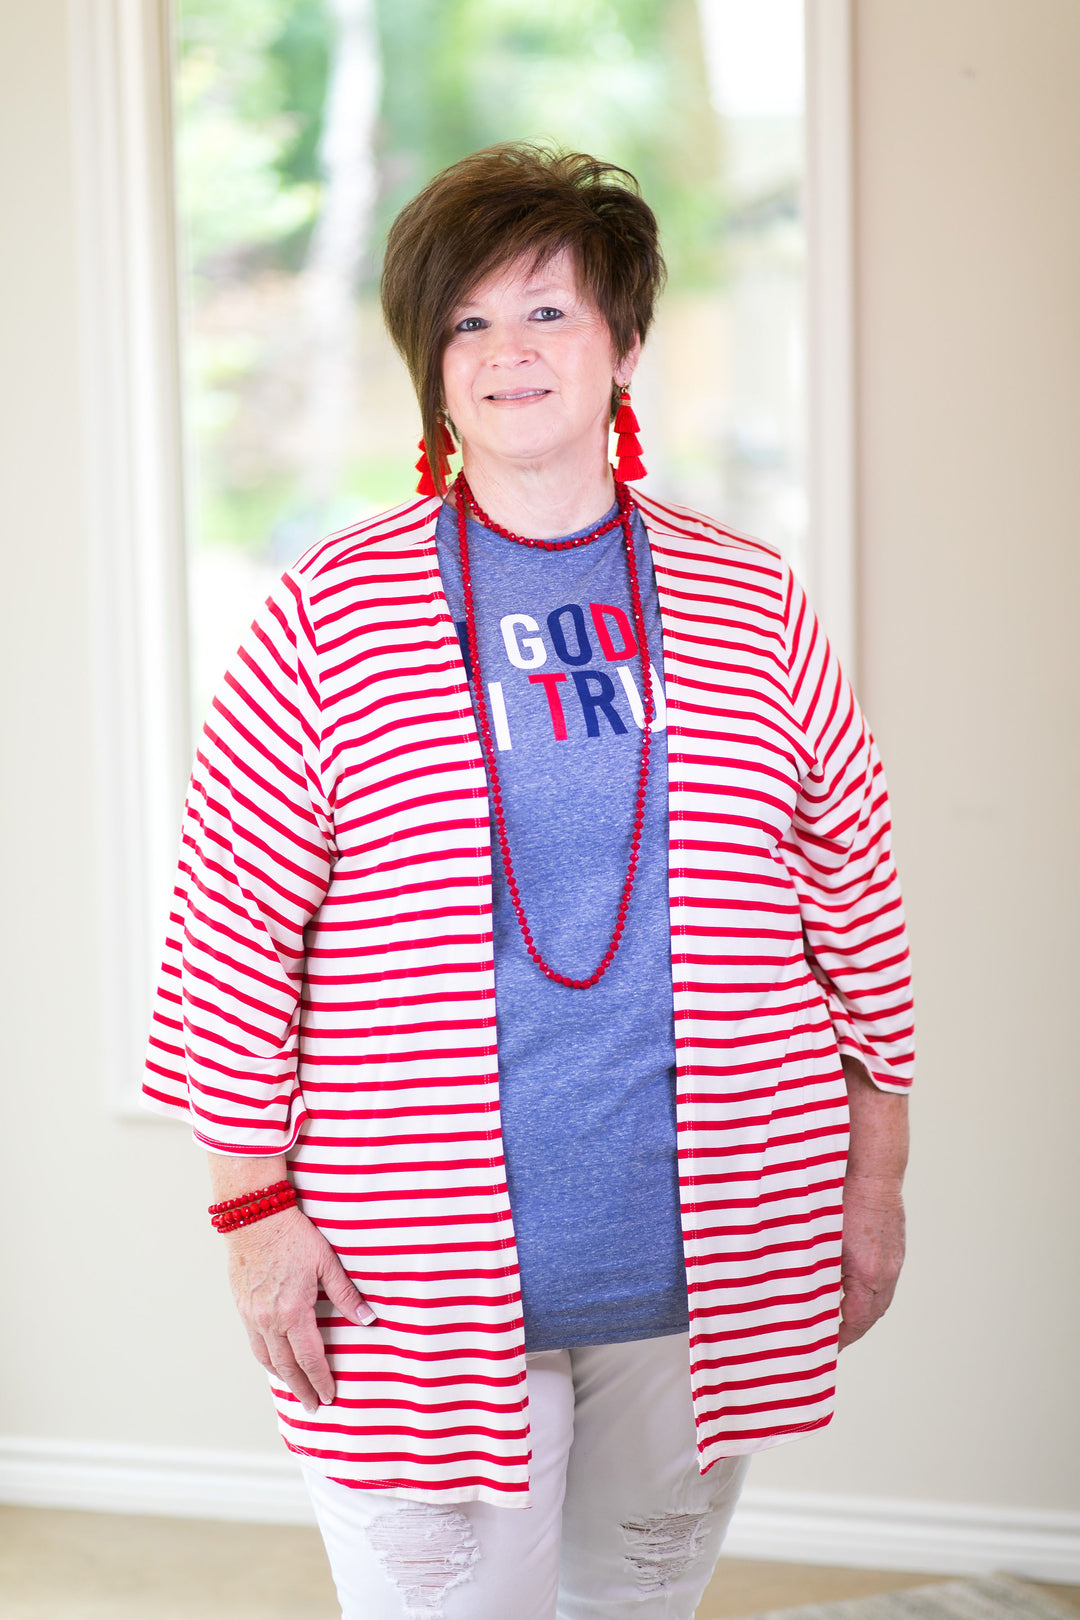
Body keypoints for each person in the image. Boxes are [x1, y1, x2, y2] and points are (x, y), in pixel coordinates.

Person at [144, 145, 913, 1620]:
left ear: (623, 344)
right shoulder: (329, 614)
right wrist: (252, 1218)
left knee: (633, 1608)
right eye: (468, 323)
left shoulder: (752, 600)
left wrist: (875, 1178)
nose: (510, 353)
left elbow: (853, 886)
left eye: (551, 313)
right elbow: (227, 925)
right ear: (429, 368)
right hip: (404, 1267)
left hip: (711, 1244)